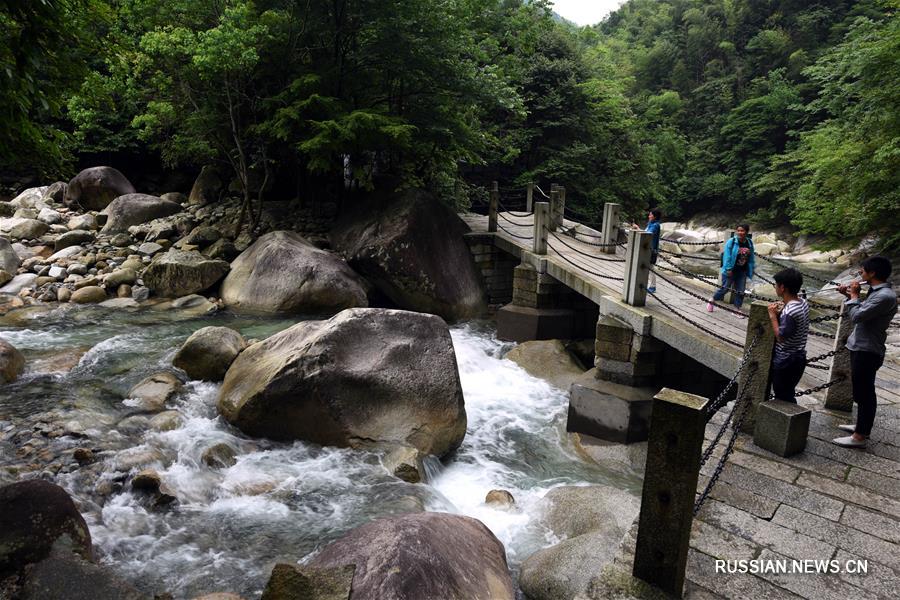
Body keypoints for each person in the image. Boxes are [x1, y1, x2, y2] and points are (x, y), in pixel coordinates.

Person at [832, 256, 898, 448]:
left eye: (863, 270)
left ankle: (860, 436)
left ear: (873, 273)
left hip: (868, 349)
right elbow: (863, 310)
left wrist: (853, 297)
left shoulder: (885, 296)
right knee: (861, 391)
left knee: (865, 392)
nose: (860, 273)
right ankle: (861, 426)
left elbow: (858, 316)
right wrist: (849, 296)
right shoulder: (876, 292)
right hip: (861, 346)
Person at [767, 268, 809, 403]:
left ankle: (786, 422)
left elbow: (780, 336)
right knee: (788, 393)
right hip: (799, 356)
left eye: (776, 284)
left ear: (782, 287)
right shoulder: (803, 302)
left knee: (783, 396)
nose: (775, 287)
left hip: (787, 360)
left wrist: (773, 316)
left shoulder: (790, 311)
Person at [707, 224, 754, 312]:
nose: (740, 232)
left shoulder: (749, 242)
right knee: (725, 289)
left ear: (747, 232)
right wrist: (728, 269)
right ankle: (712, 300)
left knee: (740, 291)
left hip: (742, 271)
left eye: (742, 231)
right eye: (738, 230)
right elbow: (727, 256)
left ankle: (736, 309)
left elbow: (751, 257)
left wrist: (751, 269)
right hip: (731, 270)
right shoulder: (731, 241)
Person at [632, 208, 661, 293]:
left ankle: (653, 286)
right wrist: (637, 228)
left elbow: (648, 234)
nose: (649, 216)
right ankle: (647, 284)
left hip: (652, 250)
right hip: (646, 249)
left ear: (654, 216)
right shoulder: (650, 224)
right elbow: (645, 232)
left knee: (651, 267)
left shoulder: (656, 225)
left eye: (650, 214)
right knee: (646, 266)